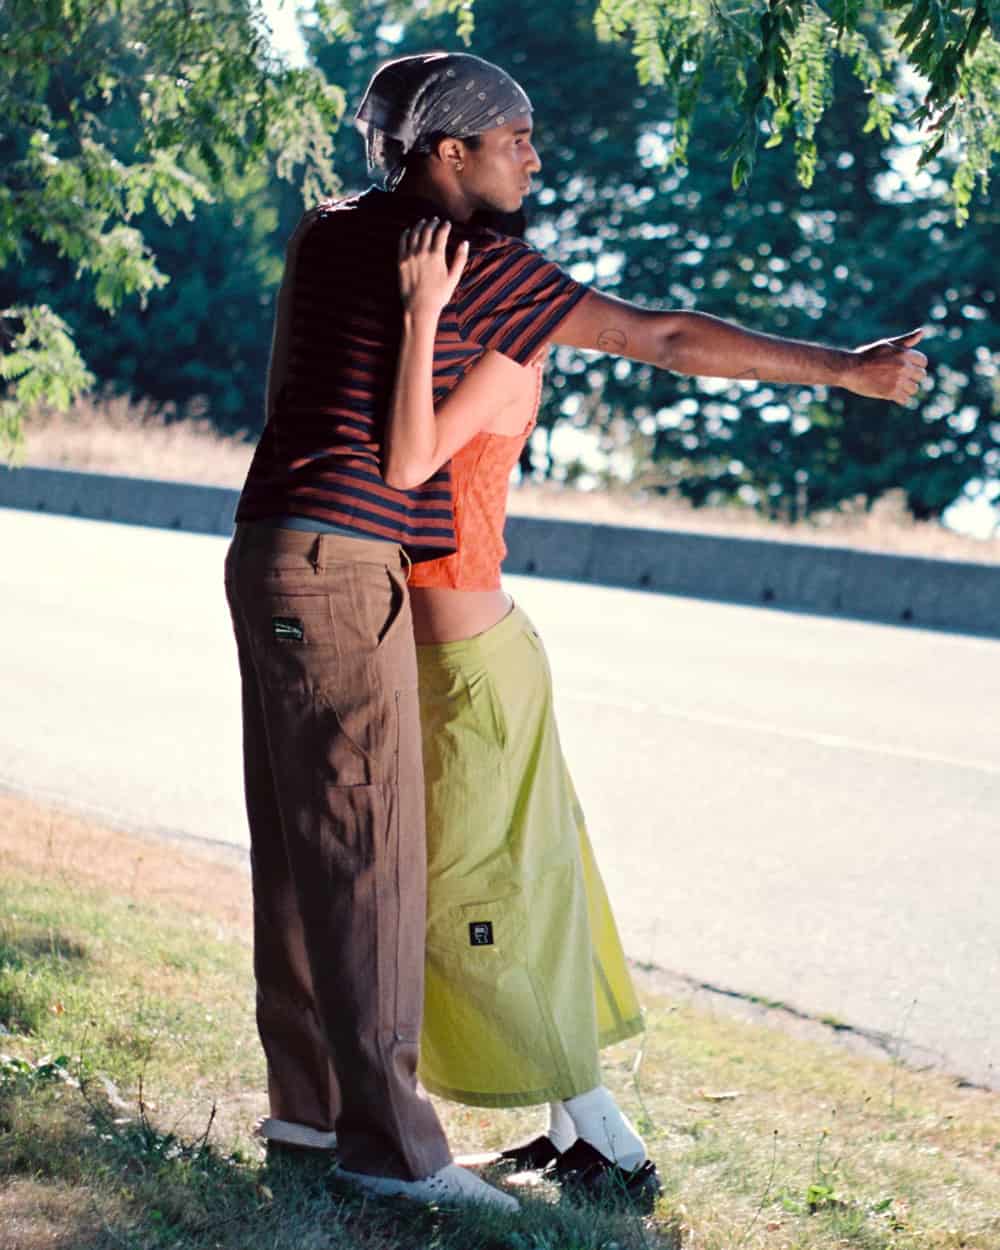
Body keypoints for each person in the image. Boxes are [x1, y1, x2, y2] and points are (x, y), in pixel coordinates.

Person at [225, 48, 926, 1211]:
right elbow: (666, 340)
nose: (535, 157)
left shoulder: (328, 231)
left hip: (270, 546)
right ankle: (389, 1155)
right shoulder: (473, 266)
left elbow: (291, 391)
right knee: (369, 859)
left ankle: (307, 1113)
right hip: (342, 566)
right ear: (448, 151)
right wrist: (839, 372)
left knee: (299, 850)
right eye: (516, 136)